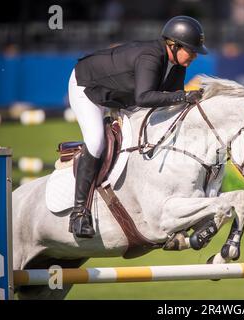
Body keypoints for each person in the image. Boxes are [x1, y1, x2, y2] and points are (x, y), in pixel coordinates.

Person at [67, 16, 208, 238]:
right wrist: (183, 96)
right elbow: (144, 97)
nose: (195, 55)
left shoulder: (178, 66)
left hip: (123, 96)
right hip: (89, 88)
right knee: (96, 142)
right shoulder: (151, 57)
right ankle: (78, 214)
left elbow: (170, 105)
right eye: (191, 50)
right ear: (174, 45)